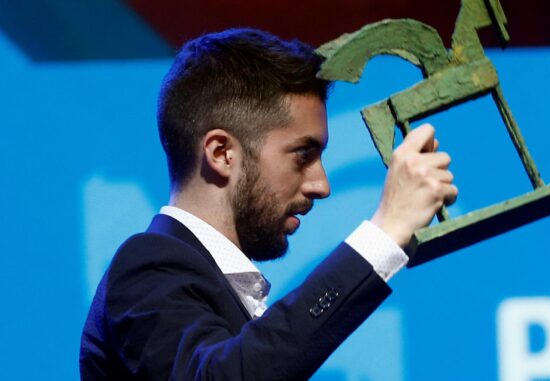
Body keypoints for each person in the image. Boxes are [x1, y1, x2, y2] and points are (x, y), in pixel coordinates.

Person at [79, 28, 457, 380]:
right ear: (222, 153)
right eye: (302, 155)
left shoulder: (210, 292)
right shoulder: (146, 267)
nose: (321, 185)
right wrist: (384, 233)